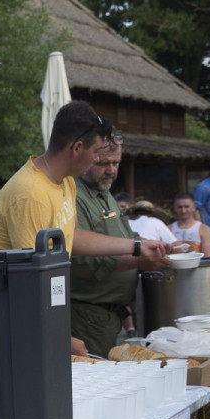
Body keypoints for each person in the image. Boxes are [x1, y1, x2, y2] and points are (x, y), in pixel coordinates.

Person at [0, 101, 168, 355]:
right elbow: (26, 283)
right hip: (19, 326)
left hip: (51, 313)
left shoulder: (66, 181)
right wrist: (63, 337)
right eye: (95, 151)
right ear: (77, 147)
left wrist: (137, 246)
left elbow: (74, 237)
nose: (96, 159)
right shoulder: (30, 194)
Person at [70, 137, 169, 357]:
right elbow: (81, 260)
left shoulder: (104, 193)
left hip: (111, 314)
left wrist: (162, 247)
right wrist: (139, 260)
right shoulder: (73, 196)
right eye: (103, 163)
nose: (111, 171)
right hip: (88, 316)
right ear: (86, 156)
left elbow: (126, 236)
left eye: (116, 163)